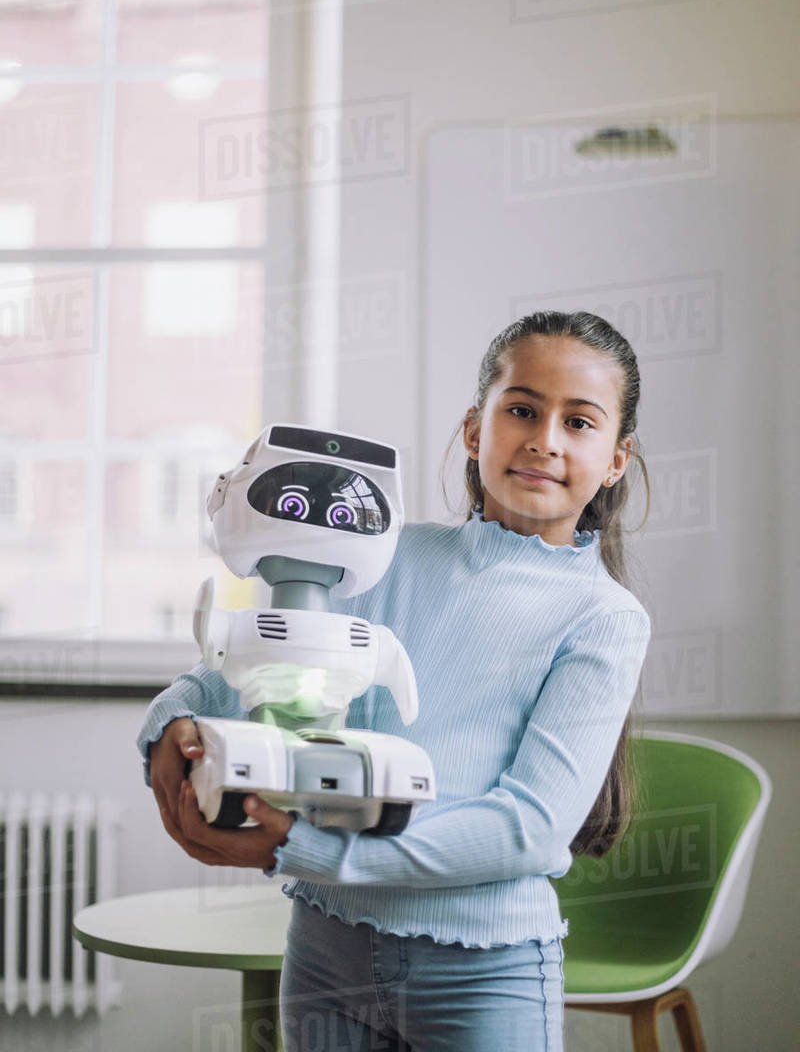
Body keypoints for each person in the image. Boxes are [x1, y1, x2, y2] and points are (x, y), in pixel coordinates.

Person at [137, 309, 654, 1052]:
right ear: (476, 430)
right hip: (326, 951)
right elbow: (251, 667)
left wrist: (314, 853)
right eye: (522, 410)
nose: (544, 439)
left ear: (615, 459)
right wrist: (170, 722)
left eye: (579, 422)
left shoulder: (605, 617)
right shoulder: (376, 555)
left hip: (484, 972)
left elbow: (527, 829)